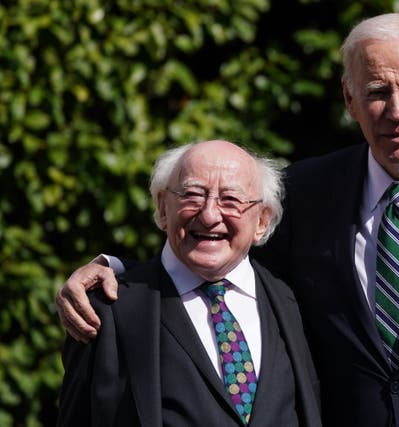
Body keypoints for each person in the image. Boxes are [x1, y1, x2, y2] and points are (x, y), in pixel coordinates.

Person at [56, 13, 399, 426]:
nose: (395, 110)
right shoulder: (303, 194)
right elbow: (215, 251)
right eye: (375, 92)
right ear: (350, 99)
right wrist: (111, 271)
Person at [57, 140, 321, 427]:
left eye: (230, 199)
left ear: (262, 221)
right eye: (192, 195)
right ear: (162, 208)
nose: (209, 215)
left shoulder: (295, 299)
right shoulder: (104, 312)